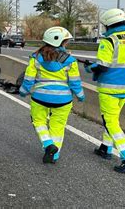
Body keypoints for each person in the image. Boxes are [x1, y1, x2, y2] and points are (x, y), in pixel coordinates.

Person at [85, 8, 125, 173]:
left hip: (109, 90)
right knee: (113, 119)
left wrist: (89, 67)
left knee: (111, 122)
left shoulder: (109, 41)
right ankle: (105, 149)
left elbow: (102, 66)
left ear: (109, 24)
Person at [19, 27, 85, 164]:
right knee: (58, 126)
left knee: (38, 122)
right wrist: (80, 95)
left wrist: (24, 91)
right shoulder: (70, 60)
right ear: (62, 42)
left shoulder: (36, 58)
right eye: (66, 41)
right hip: (63, 100)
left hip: (40, 98)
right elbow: (75, 82)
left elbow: (29, 79)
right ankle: (53, 156)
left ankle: (48, 144)